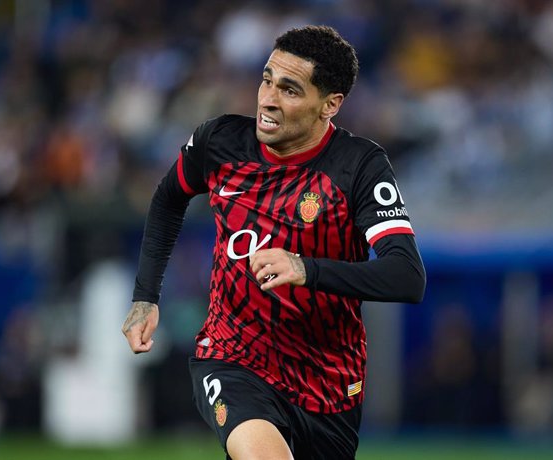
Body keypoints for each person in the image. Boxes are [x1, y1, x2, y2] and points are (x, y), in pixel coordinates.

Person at [122, 25, 426, 460]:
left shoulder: (359, 167)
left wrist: (307, 268)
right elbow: (168, 199)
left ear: (330, 105)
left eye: (289, 89)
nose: (266, 98)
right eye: (266, 79)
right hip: (232, 358)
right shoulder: (219, 142)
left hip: (327, 383)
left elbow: (407, 276)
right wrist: (146, 296)